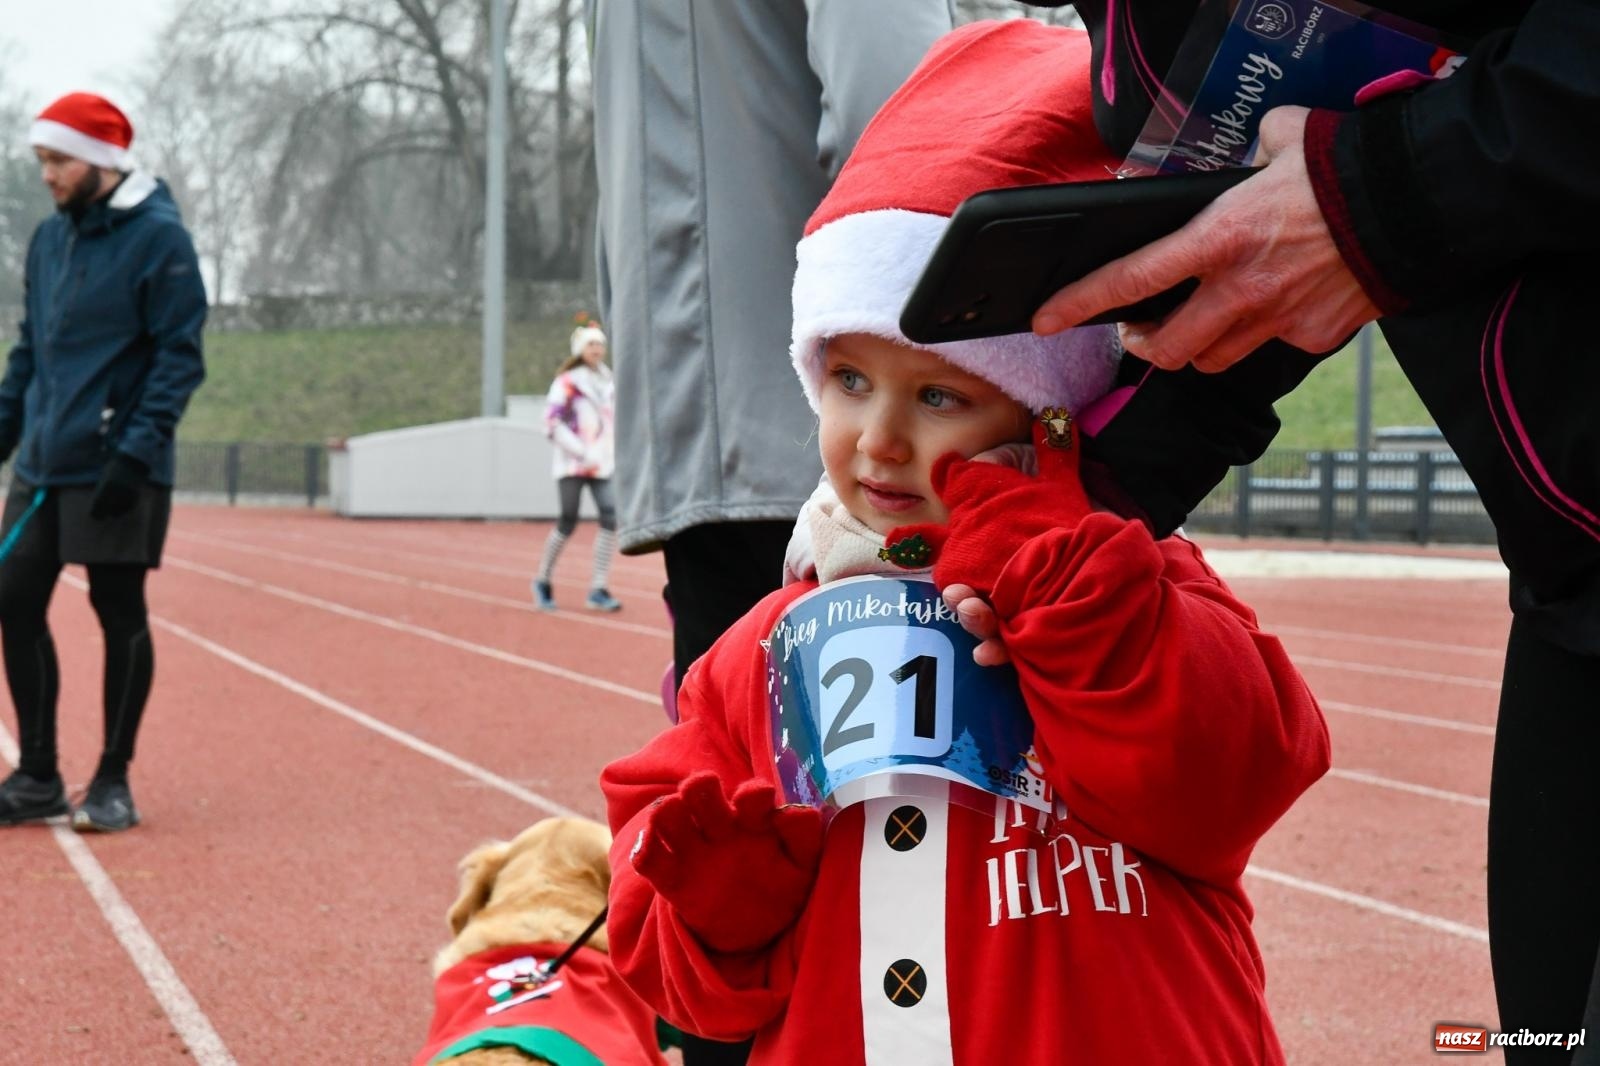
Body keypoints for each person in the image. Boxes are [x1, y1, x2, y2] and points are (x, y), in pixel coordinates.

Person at [599, 22, 1330, 1064]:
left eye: (939, 394)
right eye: (848, 380)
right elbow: (677, 979)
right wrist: (713, 909)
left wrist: (1072, 578)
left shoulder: (1140, 575)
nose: (880, 438)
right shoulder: (752, 656)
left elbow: (1236, 781)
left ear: (1048, 411)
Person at [1017, 0, 1600, 1054]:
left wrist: (1383, 197)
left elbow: (1347, 192)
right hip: (1571, 576)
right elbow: (1270, 212)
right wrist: (1059, 507)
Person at [584, 3, 954, 1060]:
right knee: (744, 860)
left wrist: (886, 354)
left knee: (866, 851)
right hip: (726, 430)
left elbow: (904, 106)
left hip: (811, 435)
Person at [0, 92, 207, 833]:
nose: (48, 174)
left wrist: (136, 455)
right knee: (13, 600)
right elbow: (32, 348)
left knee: (116, 611)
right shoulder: (51, 242)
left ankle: (112, 780)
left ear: (101, 160)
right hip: (45, 462)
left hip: (118, 463)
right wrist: (5, 424)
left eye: (57, 160)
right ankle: (38, 776)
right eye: (42, 160)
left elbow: (179, 360)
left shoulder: (161, 240)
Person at [533, 322, 622, 613]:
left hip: (602, 464)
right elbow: (551, 421)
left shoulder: (610, 381)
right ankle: (543, 579)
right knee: (568, 519)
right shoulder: (568, 381)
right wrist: (580, 450)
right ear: (580, 350)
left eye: (600, 345)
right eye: (591, 345)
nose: (596, 350)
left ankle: (598, 587)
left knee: (610, 516)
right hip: (573, 463)